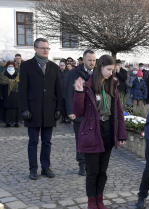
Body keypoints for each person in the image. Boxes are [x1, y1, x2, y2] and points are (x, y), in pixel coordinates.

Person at [72, 54, 126, 209]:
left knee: (103, 170)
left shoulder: (112, 86)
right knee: (93, 171)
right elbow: (78, 112)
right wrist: (79, 93)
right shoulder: (87, 86)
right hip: (92, 132)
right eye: (108, 69)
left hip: (107, 130)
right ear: (100, 67)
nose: (111, 73)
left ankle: (99, 200)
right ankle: (91, 203)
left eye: (113, 70)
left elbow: (118, 113)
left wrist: (121, 134)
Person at [18, 38, 62, 180]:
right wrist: (24, 108)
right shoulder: (26, 66)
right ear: (35, 49)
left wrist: (58, 108)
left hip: (49, 109)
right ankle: (33, 169)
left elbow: (58, 90)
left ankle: (45, 167)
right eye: (42, 48)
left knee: (47, 141)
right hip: (33, 110)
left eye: (47, 48)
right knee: (33, 142)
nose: (45, 50)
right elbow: (22, 89)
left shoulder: (54, 67)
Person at [65, 50, 97, 176]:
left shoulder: (98, 73)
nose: (92, 62)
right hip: (79, 112)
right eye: (89, 60)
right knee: (81, 139)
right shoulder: (74, 73)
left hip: (94, 113)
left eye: (94, 60)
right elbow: (68, 93)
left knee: (93, 139)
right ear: (83, 60)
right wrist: (70, 111)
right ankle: (82, 164)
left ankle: (91, 164)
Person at [0, 61, 20, 127]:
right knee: (7, 109)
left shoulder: (18, 75)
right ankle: (7, 122)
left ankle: (16, 122)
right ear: (7, 67)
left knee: (16, 109)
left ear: (14, 67)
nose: (10, 67)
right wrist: (1, 95)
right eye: (9, 66)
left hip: (16, 95)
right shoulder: (3, 75)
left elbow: (21, 85)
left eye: (12, 66)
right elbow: (1, 86)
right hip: (6, 95)